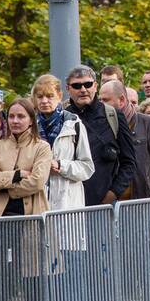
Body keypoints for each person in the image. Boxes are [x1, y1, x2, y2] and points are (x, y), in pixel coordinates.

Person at [31, 74, 93, 213]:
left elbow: (87, 167)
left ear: (59, 96)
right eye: (40, 97)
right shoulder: (30, 126)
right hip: (38, 200)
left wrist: (60, 165)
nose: (44, 101)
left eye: (49, 96)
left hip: (68, 201)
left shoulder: (74, 124)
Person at [0, 97, 52, 218]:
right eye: (11, 116)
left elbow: (38, 181)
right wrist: (17, 175)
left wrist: (3, 185)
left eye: (21, 116)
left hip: (31, 214)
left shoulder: (42, 147)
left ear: (31, 120)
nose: (15, 121)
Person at [99, 81, 150, 199]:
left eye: (105, 100)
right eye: (99, 100)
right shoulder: (100, 125)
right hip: (107, 202)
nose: (100, 105)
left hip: (141, 201)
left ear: (121, 100)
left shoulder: (149, 124)